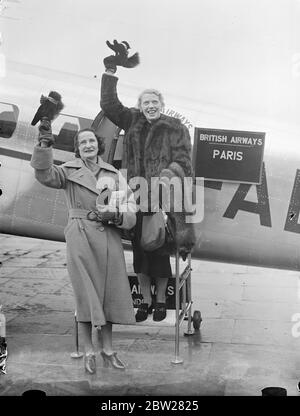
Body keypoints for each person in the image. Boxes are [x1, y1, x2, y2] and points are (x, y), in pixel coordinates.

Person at [30, 123, 136, 374]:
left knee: (109, 294)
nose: (88, 145)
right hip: (79, 235)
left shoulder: (113, 173)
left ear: (99, 145)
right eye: (83, 143)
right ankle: (89, 351)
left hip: (108, 236)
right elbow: (44, 174)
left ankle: (108, 351)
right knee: (85, 294)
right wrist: (45, 145)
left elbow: (131, 207)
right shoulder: (67, 170)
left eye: (92, 141)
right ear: (77, 149)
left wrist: (117, 214)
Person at [100, 52, 195, 323]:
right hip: (135, 197)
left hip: (162, 201)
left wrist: (168, 176)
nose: (150, 106)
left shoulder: (174, 128)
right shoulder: (131, 120)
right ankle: (144, 302)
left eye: (155, 102)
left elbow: (184, 161)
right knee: (140, 256)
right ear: (140, 105)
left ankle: (162, 302)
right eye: (146, 102)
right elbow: (108, 104)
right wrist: (109, 70)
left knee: (161, 256)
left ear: (161, 105)